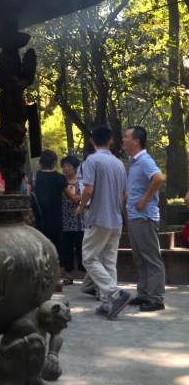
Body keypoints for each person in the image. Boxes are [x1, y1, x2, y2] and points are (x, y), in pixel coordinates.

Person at [75, 125, 130, 320]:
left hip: (99, 217)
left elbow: (88, 190)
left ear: (92, 141)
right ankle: (108, 304)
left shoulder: (92, 160)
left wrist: (81, 207)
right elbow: (125, 195)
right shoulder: (118, 164)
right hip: (115, 219)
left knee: (89, 258)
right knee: (109, 261)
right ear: (111, 141)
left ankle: (115, 294)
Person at [122, 126, 166, 312]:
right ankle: (144, 294)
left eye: (126, 136)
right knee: (140, 258)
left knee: (151, 257)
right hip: (135, 216)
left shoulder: (145, 160)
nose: (123, 139)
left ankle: (156, 299)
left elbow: (159, 178)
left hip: (144, 217)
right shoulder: (134, 162)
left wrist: (144, 200)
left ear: (136, 141)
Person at [31, 150, 67, 266]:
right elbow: (72, 197)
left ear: (41, 162)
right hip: (56, 220)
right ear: (54, 162)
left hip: (39, 220)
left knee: (40, 248)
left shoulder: (34, 177)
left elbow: (28, 196)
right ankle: (56, 279)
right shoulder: (60, 178)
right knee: (56, 247)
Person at [59, 154, 84, 285]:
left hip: (80, 221)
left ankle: (86, 276)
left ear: (75, 168)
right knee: (66, 249)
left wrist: (75, 197)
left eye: (69, 165)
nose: (66, 168)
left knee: (82, 248)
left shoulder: (81, 181)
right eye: (64, 166)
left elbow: (86, 196)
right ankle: (68, 276)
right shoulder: (61, 181)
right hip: (65, 220)